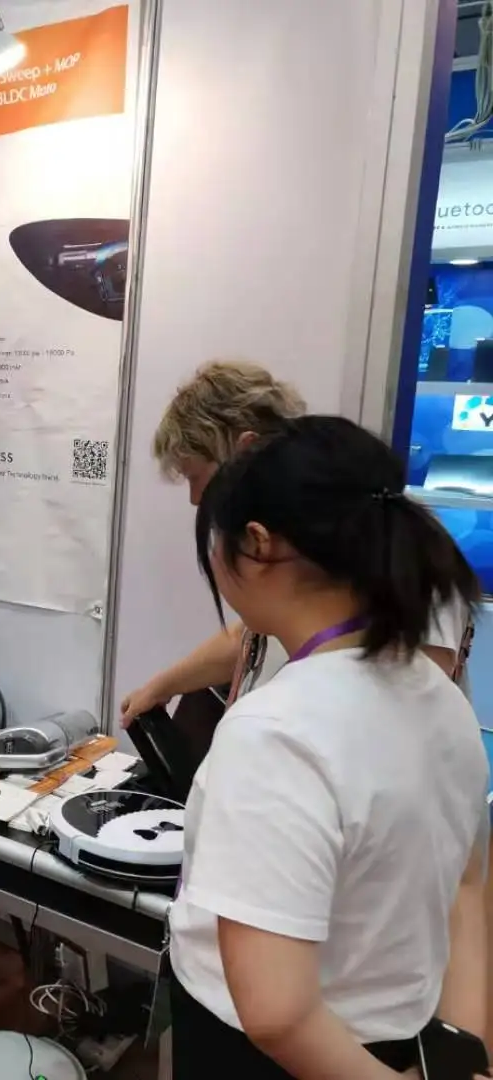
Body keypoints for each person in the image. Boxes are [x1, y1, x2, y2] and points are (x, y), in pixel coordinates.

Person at [168, 415, 488, 1077]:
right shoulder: (442, 698)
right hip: (394, 1043)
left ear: (257, 544)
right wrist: (465, 1053)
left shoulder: (275, 732)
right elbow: (468, 885)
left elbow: (277, 1012)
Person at [119, 359, 470, 724]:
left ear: (244, 448)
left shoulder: (383, 530)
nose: (195, 499)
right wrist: (163, 686)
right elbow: (250, 638)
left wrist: (270, 732)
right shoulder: (288, 537)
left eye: (195, 476)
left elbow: (419, 690)